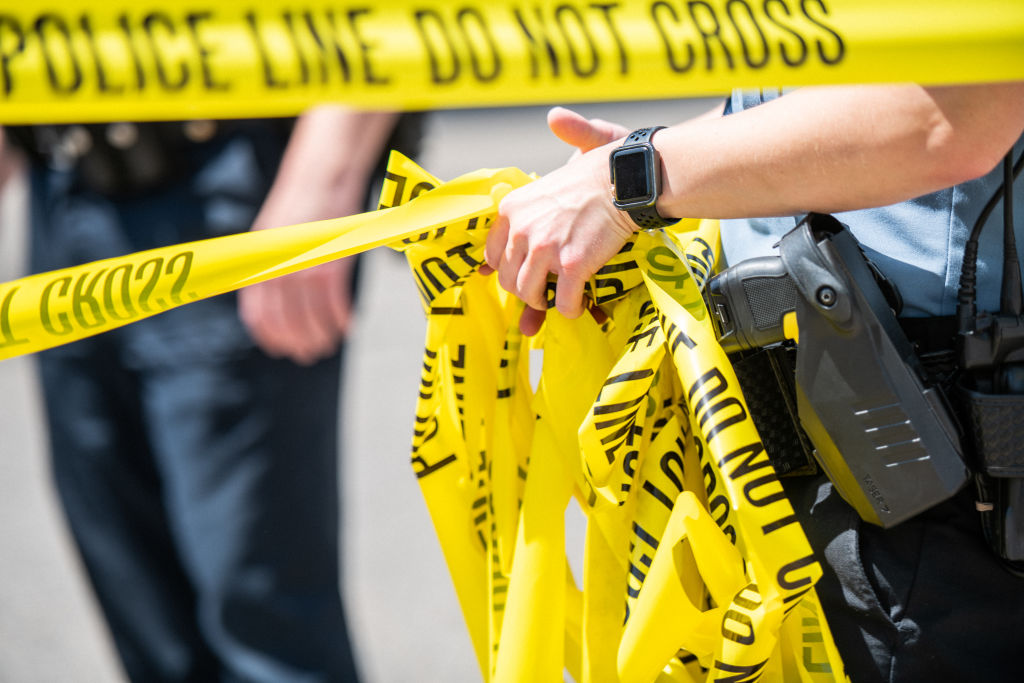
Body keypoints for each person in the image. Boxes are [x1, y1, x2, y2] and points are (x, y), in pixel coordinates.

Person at [485, 83, 1024, 682]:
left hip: (927, 473)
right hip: (830, 450)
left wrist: (636, 179)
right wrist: (668, 156)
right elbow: (812, 82)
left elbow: (952, 115)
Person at [8, 107, 421, 682]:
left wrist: (324, 176)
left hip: (229, 176)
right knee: (147, 618)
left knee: (268, 631)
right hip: (61, 178)